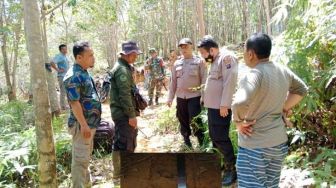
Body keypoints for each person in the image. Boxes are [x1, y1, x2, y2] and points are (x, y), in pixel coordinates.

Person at [232, 33, 308, 187]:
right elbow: (302, 89)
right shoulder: (281, 70)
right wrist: (284, 107)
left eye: (244, 51)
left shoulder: (254, 74)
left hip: (255, 146)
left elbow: (239, 102)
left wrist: (238, 122)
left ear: (251, 54)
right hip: (278, 143)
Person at [197, 36, 238, 186]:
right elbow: (211, 80)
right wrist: (204, 97)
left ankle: (231, 169)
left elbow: (230, 81)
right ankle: (220, 164)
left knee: (221, 137)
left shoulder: (226, 58)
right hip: (212, 106)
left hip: (221, 107)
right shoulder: (213, 60)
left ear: (212, 50)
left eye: (203, 52)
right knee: (215, 137)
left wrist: (225, 104)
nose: (202, 56)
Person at [63, 41, 101, 187]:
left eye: (93, 54)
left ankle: (87, 184)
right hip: (82, 126)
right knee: (80, 161)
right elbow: (74, 103)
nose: (93, 58)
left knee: (84, 158)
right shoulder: (73, 76)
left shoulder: (83, 72)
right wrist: (84, 125)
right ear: (79, 58)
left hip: (89, 124)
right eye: (90, 55)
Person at [109, 40, 142, 181]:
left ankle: (119, 173)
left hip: (122, 112)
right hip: (123, 114)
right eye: (133, 54)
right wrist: (131, 115)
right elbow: (124, 95)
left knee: (122, 141)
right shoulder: (122, 69)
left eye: (136, 54)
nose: (136, 56)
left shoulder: (124, 66)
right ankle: (122, 174)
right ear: (126, 54)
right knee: (125, 143)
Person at [167, 38, 207, 148]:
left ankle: (201, 141)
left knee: (195, 119)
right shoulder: (177, 63)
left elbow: (204, 80)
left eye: (186, 46)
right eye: (181, 47)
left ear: (191, 47)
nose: (183, 49)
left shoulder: (199, 62)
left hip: (194, 96)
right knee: (182, 119)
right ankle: (186, 140)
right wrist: (170, 98)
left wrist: (203, 96)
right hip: (180, 97)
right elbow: (173, 82)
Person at [51, 44, 71, 110]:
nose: (65, 50)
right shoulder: (59, 56)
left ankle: (66, 105)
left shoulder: (66, 57)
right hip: (62, 76)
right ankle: (63, 106)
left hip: (67, 76)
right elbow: (52, 62)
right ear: (60, 50)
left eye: (66, 49)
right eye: (63, 49)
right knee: (63, 91)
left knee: (67, 91)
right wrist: (57, 69)